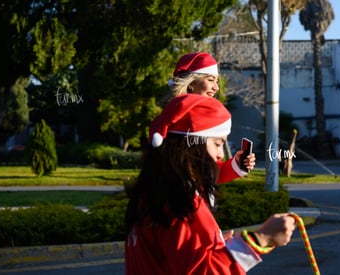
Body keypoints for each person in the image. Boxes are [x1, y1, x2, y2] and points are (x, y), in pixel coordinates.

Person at [125, 94, 296, 274]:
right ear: (190, 144)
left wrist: (216, 243)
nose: (221, 154)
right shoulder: (179, 203)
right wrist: (260, 239)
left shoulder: (152, 194)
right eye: (217, 143)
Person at [165, 51, 255, 183]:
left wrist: (237, 164)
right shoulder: (176, 119)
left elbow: (210, 174)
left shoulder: (201, 116)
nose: (216, 87)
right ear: (191, 83)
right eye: (210, 79)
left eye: (216, 81)